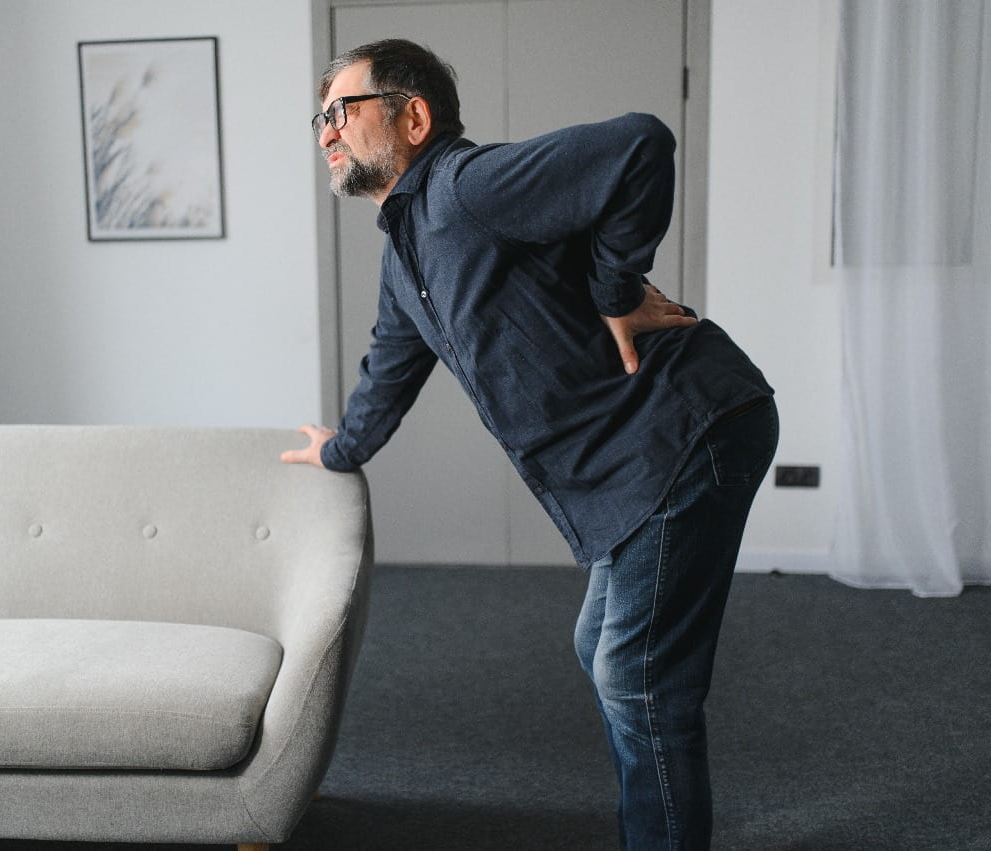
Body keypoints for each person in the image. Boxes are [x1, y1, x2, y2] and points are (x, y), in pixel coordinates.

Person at [281, 38, 777, 850]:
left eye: (343, 110)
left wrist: (616, 290)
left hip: (683, 429)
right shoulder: (405, 254)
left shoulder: (465, 187)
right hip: (627, 460)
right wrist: (338, 451)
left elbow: (640, 144)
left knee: (636, 675)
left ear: (414, 118)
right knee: (603, 648)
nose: (327, 130)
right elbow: (388, 372)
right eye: (320, 118)